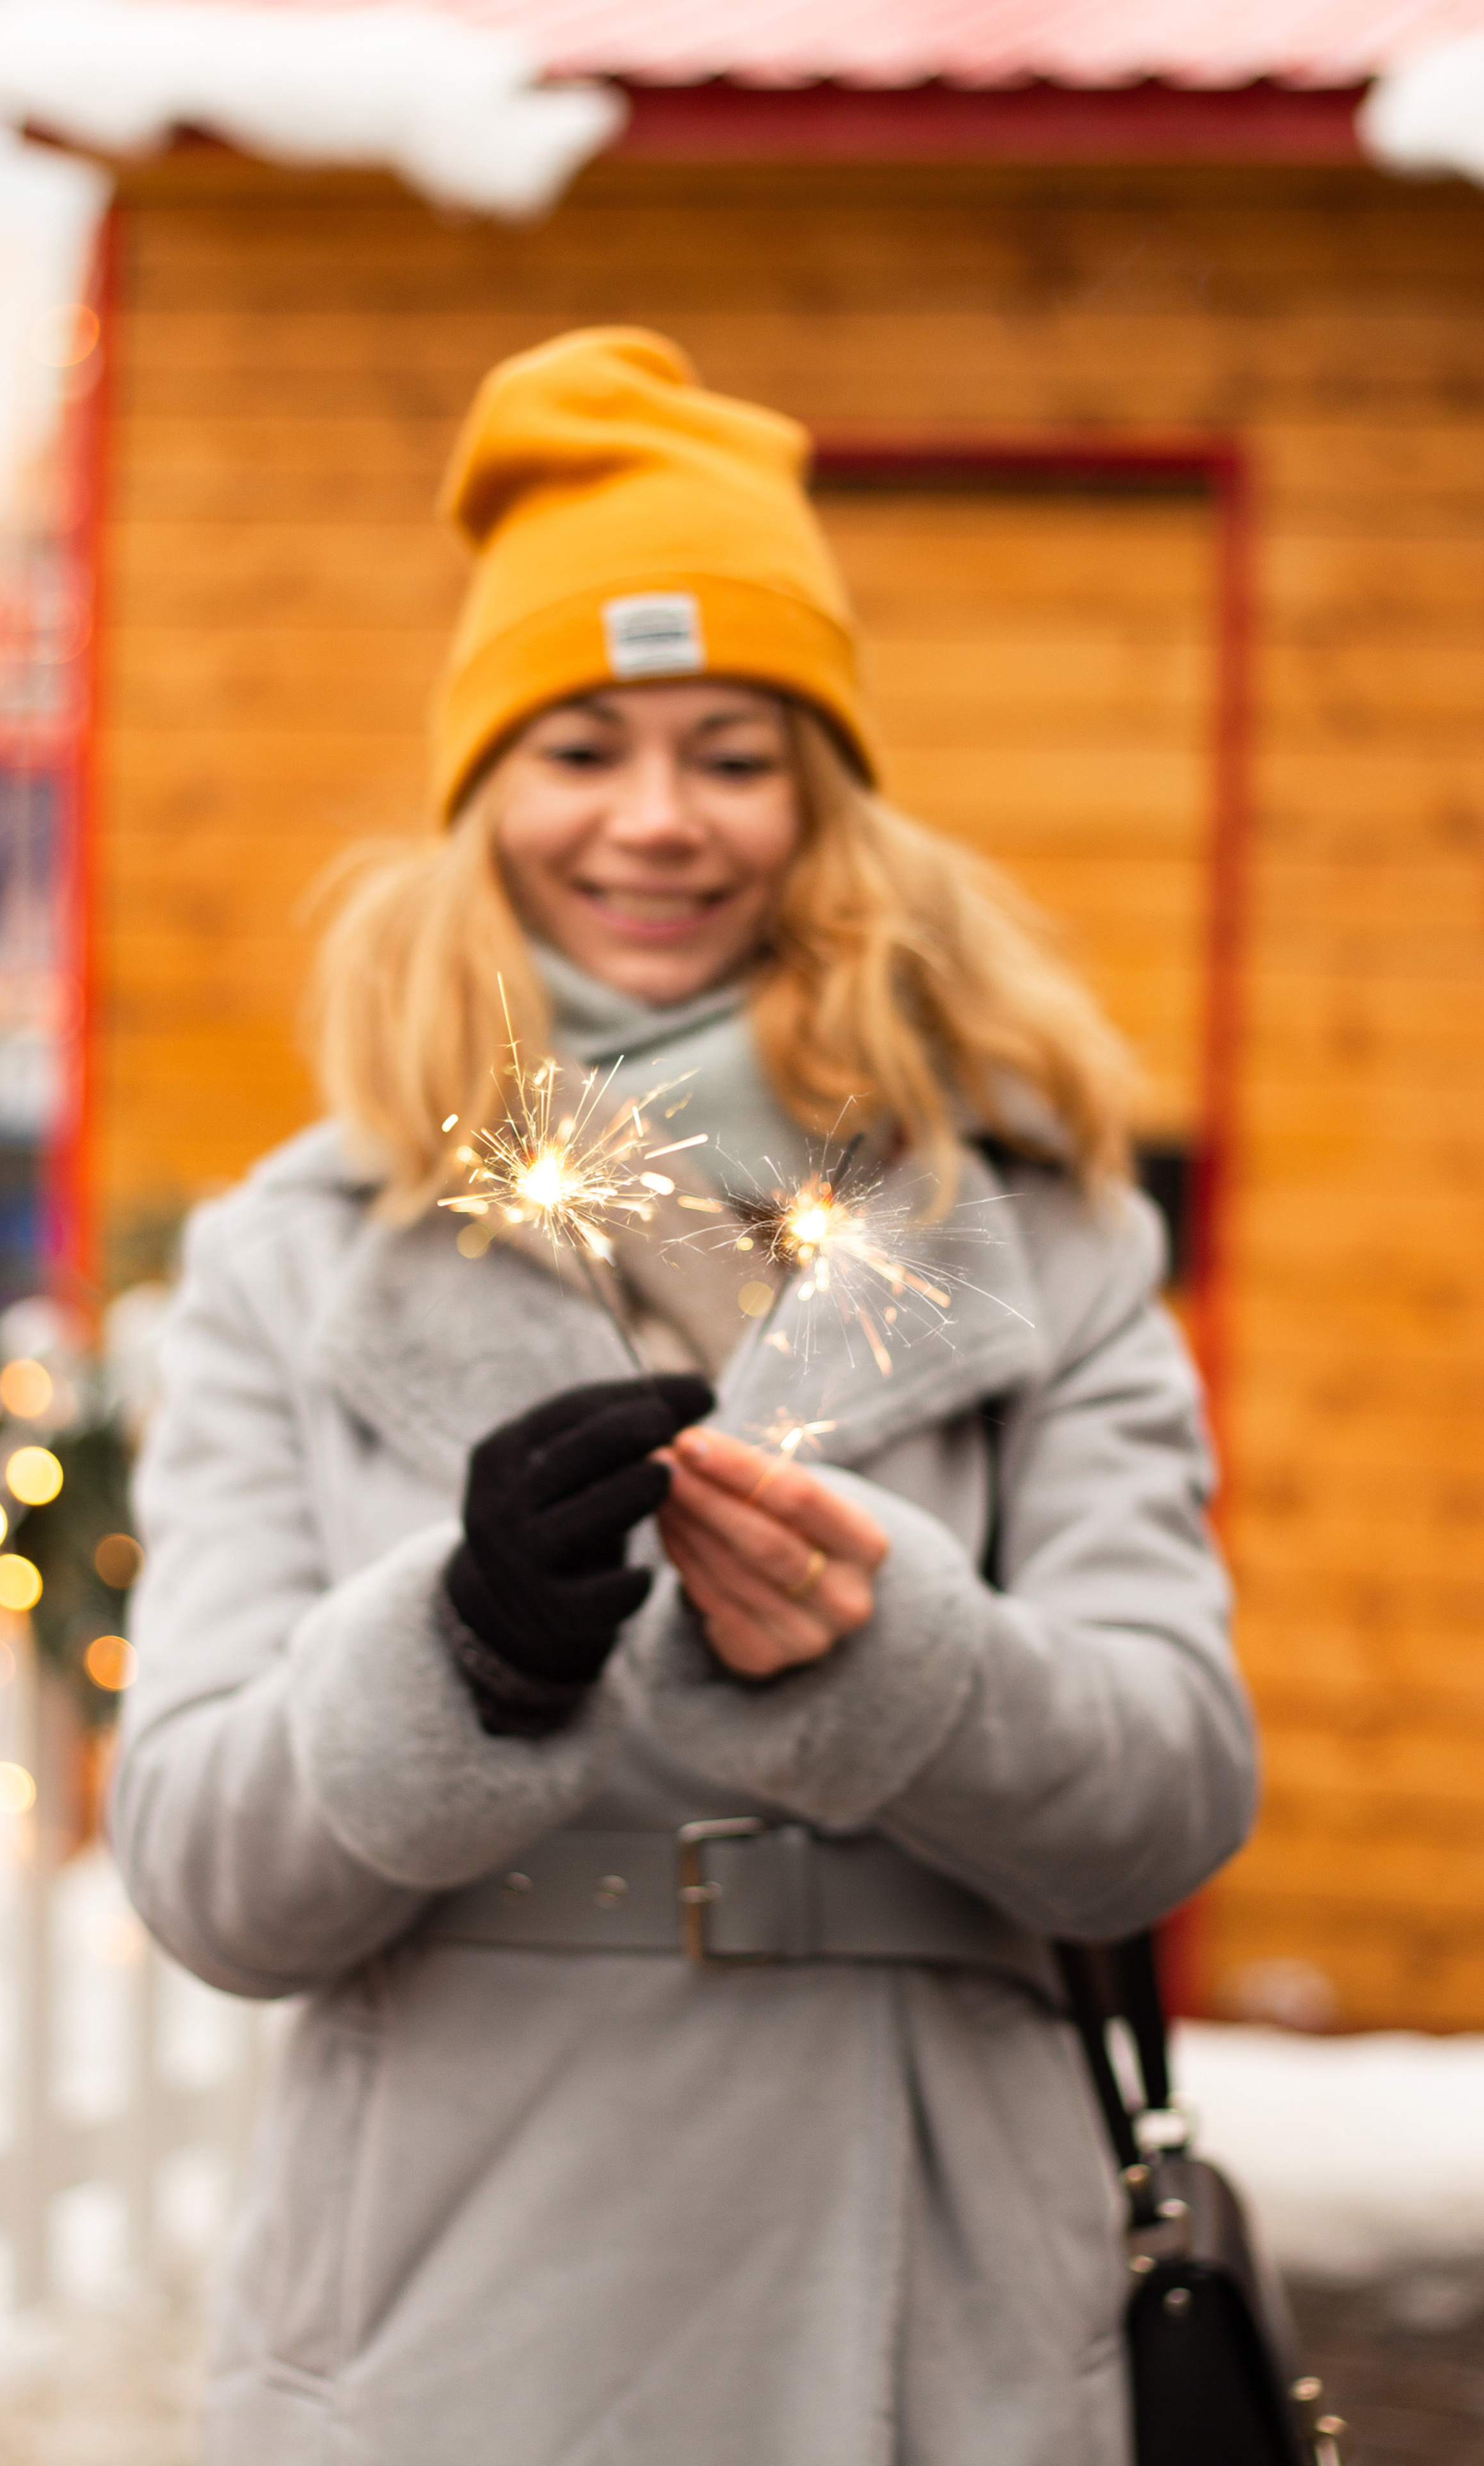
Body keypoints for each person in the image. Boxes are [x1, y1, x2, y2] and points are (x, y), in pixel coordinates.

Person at [112, 328, 1255, 2466]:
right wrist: (457, 1654)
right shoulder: (298, 1251)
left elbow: (1172, 1798)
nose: (656, 822)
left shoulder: (1051, 1230)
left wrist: (891, 1653)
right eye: (579, 747)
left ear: (826, 800)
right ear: (482, 797)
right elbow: (200, 1873)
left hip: (932, 2309)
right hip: (449, 2308)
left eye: (735, 751)